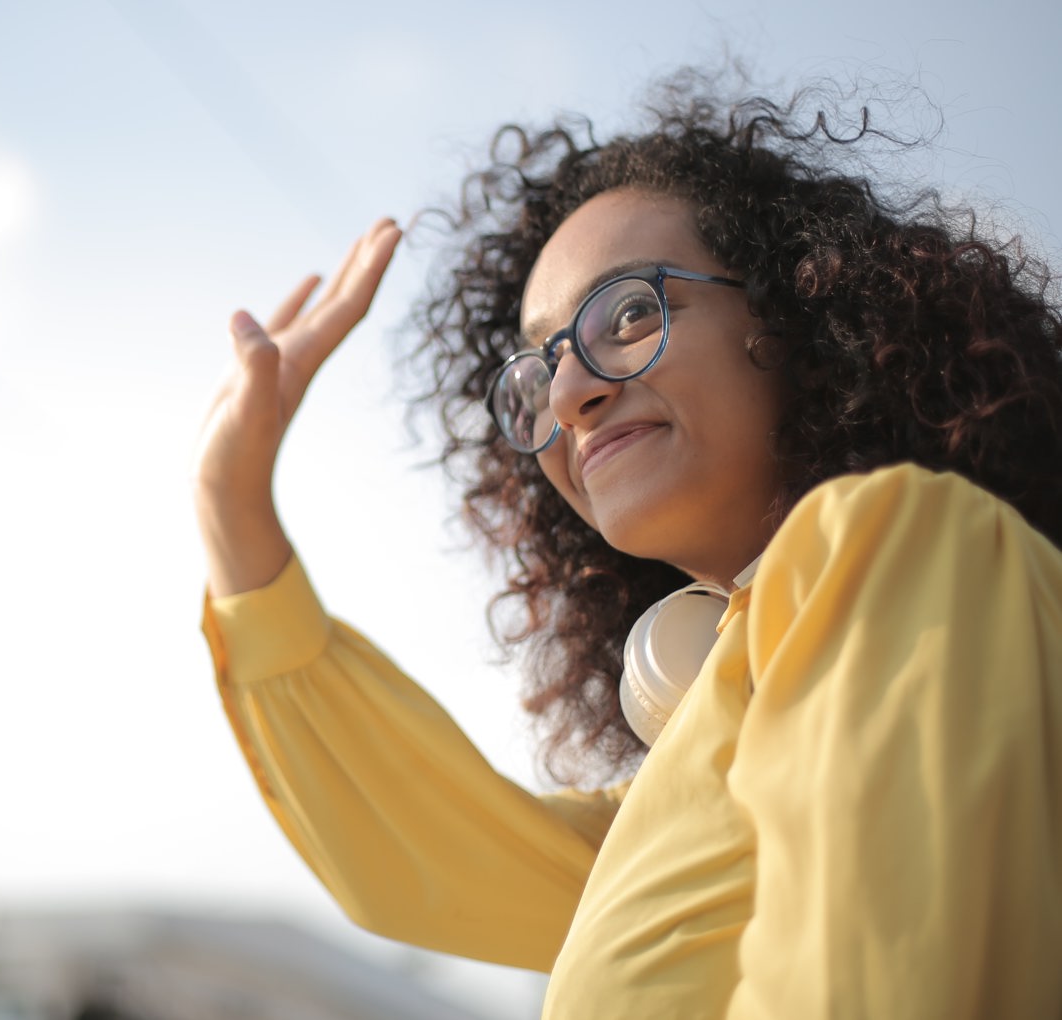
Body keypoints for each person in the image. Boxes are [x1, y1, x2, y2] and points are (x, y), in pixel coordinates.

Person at [193, 73, 1062, 1017]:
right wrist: (230, 503)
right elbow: (418, 859)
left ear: (791, 314)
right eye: (541, 367)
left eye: (632, 314)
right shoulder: (691, 785)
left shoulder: (909, 539)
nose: (568, 397)